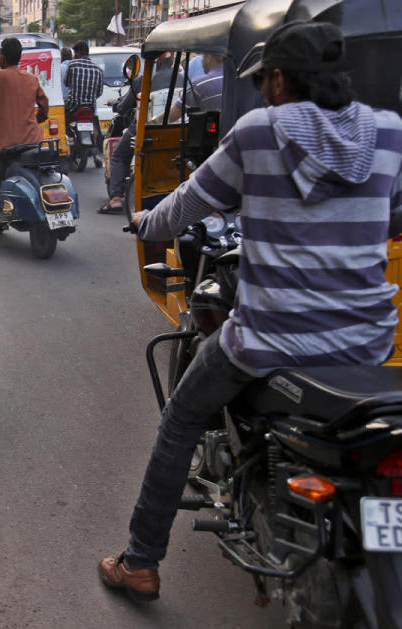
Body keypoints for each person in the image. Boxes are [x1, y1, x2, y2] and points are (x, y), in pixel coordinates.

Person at [98, 21, 402, 602]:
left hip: (271, 339)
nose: (263, 92)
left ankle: (139, 561)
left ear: (281, 80)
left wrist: (144, 220)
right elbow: (391, 216)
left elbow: (182, 208)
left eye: (265, 82)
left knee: (181, 419)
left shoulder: (260, 131)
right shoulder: (388, 132)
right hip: (369, 342)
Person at [0, 37, 48, 248]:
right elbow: (44, 105)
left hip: (6, 144)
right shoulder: (31, 78)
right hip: (33, 142)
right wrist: (35, 120)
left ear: (2, 57)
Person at [64, 40, 105, 167]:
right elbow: (99, 92)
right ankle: (97, 151)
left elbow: (67, 83)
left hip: (73, 105)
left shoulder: (73, 65)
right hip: (90, 107)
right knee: (96, 126)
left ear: (77, 53)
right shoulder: (98, 69)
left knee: (61, 122)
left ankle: (67, 141)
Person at [158, 53, 223, 123]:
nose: (201, 61)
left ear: (209, 57)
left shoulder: (200, 84)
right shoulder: (234, 78)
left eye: (203, 56)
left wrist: (154, 120)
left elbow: (172, 116)